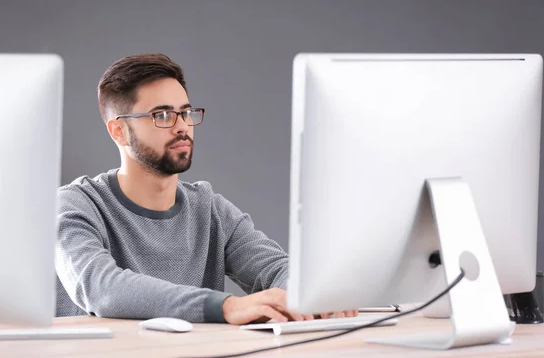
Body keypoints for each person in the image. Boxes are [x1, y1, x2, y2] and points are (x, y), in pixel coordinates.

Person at [55, 54, 358, 324]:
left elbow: (276, 268)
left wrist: (309, 298)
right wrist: (225, 307)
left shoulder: (209, 208)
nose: (182, 127)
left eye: (186, 112)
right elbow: (101, 288)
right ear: (119, 130)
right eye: (162, 115)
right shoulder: (75, 205)